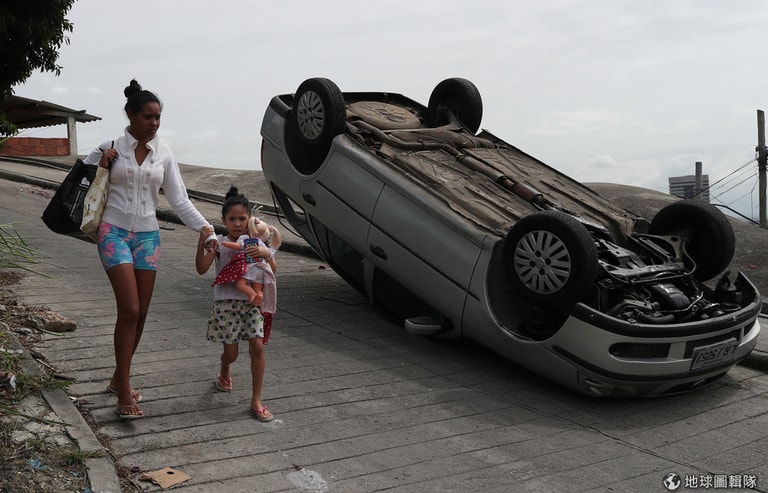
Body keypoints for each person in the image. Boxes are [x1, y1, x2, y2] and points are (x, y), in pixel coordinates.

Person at [83, 79, 215, 420]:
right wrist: (100, 164)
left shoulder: (164, 152)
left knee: (140, 312)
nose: (154, 123)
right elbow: (80, 180)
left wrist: (206, 228)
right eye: (148, 116)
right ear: (130, 115)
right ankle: (125, 392)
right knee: (129, 308)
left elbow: (179, 200)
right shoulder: (109, 146)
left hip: (148, 237)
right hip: (112, 233)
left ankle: (118, 378)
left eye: (158, 117)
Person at [195, 187, 277, 422]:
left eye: (242, 219)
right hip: (226, 305)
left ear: (250, 219)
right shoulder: (220, 243)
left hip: (252, 303)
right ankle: (225, 367)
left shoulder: (256, 243)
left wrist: (266, 254)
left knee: (257, 347)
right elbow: (201, 268)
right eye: (232, 219)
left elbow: (273, 271)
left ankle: (256, 400)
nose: (238, 224)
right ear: (224, 221)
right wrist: (201, 242)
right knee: (231, 354)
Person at [212, 216, 278, 306]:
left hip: (250, 269)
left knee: (241, 285)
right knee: (258, 289)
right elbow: (273, 268)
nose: (237, 224)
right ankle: (259, 295)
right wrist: (268, 255)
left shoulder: (247, 240)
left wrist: (225, 243)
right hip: (261, 271)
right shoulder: (263, 245)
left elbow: (238, 246)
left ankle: (252, 294)